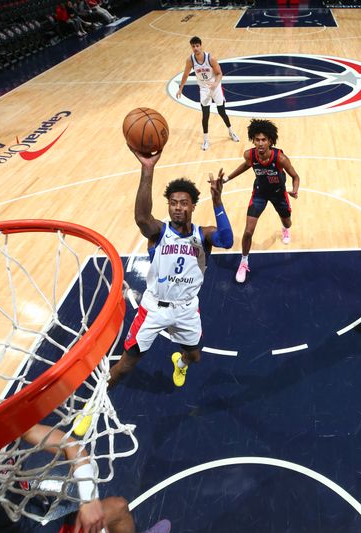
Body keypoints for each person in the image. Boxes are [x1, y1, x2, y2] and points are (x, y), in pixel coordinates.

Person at [0, 397, 170, 533]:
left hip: (31, 519)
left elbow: (72, 446)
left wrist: (89, 498)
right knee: (117, 509)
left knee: (117, 508)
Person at [106, 148, 234, 391]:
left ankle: (180, 363)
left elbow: (226, 240)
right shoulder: (159, 233)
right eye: (173, 203)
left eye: (183, 203)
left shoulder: (202, 235)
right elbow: (142, 218)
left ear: (193, 206)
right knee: (125, 366)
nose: (177, 208)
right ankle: (91, 406)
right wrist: (147, 169)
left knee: (194, 357)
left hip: (186, 310)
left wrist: (217, 201)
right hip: (153, 308)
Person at [219, 119, 301, 284]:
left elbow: (295, 176)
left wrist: (295, 190)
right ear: (253, 140)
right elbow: (245, 165)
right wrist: (226, 179)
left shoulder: (280, 158)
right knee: (248, 231)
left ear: (270, 140)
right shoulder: (250, 155)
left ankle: (285, 228)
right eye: (257, 139)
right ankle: (244, 262)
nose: (261, 143)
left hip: (279, 194)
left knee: (288, 222)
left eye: (264, 140)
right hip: (260, 193)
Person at [174, 36, 239, 151]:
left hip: (215, 87)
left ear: (201, 45)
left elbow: (219, 73)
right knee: (205, 115)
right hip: (204, 89)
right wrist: (181, 88)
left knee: (222, 112)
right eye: (193, 46)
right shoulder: (190, 60)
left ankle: (231, 132)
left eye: (197, 46)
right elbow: (185, 74)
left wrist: (215, 83)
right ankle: (206, 140)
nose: (195, 48)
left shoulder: (210, 58)